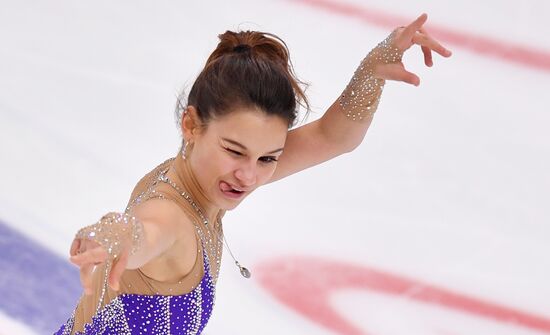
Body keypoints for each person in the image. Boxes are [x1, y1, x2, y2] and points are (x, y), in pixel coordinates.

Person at [55, 13, 451, 335]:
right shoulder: (172, 214)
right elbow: (143, 231)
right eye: (235, 151)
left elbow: (333, 137)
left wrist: (371, 73)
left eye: (268, 159)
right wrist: (111, 235)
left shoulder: (199, 183)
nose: (248, 176)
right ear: (191, 125)